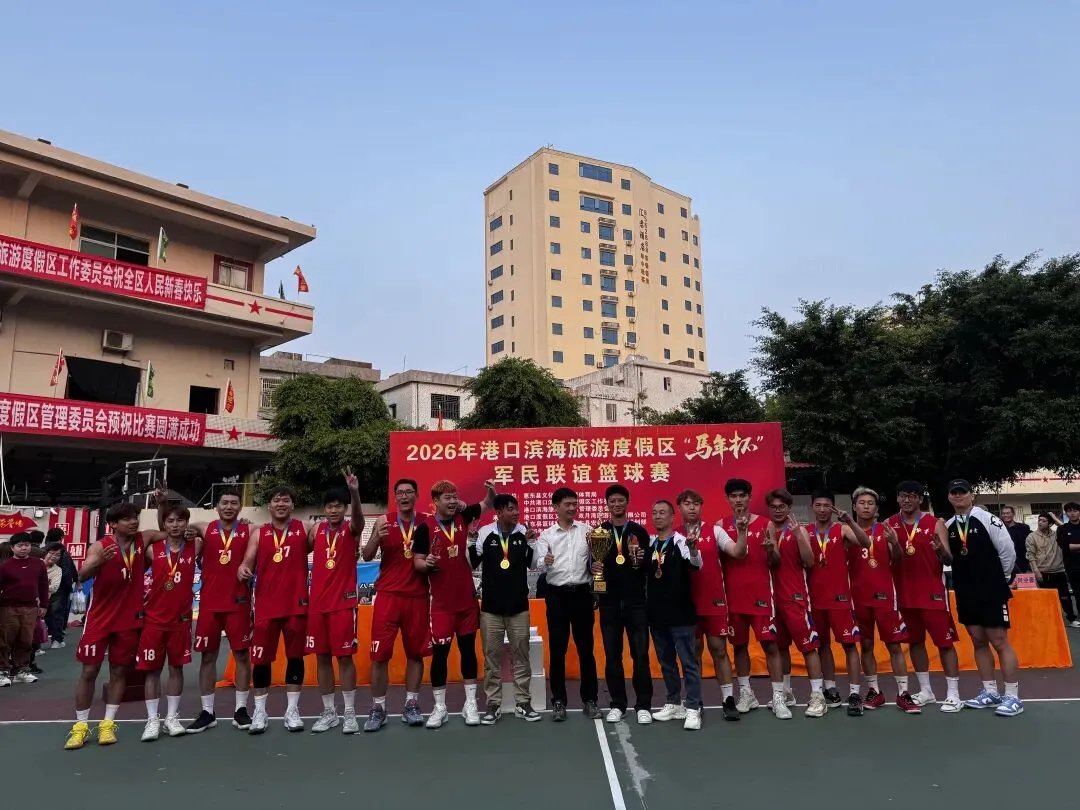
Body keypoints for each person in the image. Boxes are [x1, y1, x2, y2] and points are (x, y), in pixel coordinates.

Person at [65, 502, 154, 749]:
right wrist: (99, 562)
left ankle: (107, 723)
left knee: (118, 671)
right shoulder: (101, 546)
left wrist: (164, 503)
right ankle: (81, 726)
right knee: (89, 671)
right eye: (126, 519)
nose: (133, 522)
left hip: (129, 620)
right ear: (113, 524)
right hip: (99, 620)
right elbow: (81, 575)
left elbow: (170, 529)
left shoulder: (143, 539)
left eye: (135, 517)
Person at [411, 478, 496, 728]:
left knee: (468, 652)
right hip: (441, 606)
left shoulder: (464, 516)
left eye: (454, 497)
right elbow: (417, 561)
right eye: (446, 498)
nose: (451, 501)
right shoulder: (425, 528)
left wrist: (490, 491)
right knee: (440, 656)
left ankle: (470, 704)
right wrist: (426, 563)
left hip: (466, 602)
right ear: (435, 501)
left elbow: (488, 503)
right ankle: (440, 707)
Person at [939, 480, 1022, 716]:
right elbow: (947, 558)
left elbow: (1007, 550)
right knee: (978, 641)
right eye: (954, 493)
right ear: (949, 497)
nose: (958, 496)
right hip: (965, 590)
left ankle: (1012, 696)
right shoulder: (949, 525)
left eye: (962, 492)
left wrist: (1001, 578)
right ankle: (990, 692)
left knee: (999, 641)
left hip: (991, 589)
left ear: (971, 495)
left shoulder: (987, 519)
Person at [362, 478, 432, 731]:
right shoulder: (383, 521)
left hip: (417, 596)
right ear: (395, 497)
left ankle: (411, 704)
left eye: (409, 492)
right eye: (400, 492)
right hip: (388, 596)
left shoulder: (427, 522)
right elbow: (366, 555)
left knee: (415, 654)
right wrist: (375, 538)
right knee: (379, 655)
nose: (404, 496)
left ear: (416, 495)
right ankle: (378, 707)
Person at [239, 485, 310, 734]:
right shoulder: (259, 533)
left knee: (295, 658)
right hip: (266, 607)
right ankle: (260, 711)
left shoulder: (305, 529)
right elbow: (246, 563)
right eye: (276, 500)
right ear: (269, 506)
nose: (281, 504)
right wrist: (243, 569)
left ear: (292, 505)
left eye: (286, 500)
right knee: (261, 660)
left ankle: (292, 711)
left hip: (296, 606)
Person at [886, 481, 963, 712]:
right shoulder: (889, 524)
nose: (907, 500)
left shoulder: (935, 523)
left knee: (944, 643)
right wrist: (893, 544)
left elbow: (948, 559)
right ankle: (926, 691)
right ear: (897, 498)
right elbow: (892, 560)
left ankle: (953, 694)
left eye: (912, 496)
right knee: (915, 642)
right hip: (904, 594)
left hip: (932, 594)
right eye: (903, 495)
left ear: (920, 499)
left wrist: (940, 550)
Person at [715, 478, 784, 716]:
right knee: (739, 646)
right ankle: (747, 693)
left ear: (749, 497)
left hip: (761, 596)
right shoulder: (720, 526)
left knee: (770, 645)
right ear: (727, 499)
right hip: (733, 598)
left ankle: (778, 696)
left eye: (742, 496)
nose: (738, 500)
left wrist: (771, 551)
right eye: (733, 496)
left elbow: (776, 561)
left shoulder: (766, 524)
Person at [186, 488, 254, 733]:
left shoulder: (250, 530)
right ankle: (207, 712)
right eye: (224, 502)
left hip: (238, 603)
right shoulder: (204, 528)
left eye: (234, 503)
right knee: (207, 657)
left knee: (242, 656)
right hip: (209, 605)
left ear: (240, 507)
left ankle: (241, 710)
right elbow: (181, 526)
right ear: (217, 506)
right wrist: (187, 529)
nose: (228, 507)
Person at [470, 493, 540, 723]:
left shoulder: (523, 532)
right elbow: (473, 563)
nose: (516, 512)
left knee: (522, 656)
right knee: (491, 657)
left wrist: (532, 542)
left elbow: (533, 564)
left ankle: (523, 702)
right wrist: (470, 540)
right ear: (498, 512)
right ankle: (493, 704)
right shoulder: (485, 533)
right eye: (510, 509)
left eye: (516, 508)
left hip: (518, 607)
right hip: (491, 609)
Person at [533, 487, 601, 722]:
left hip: (582, 594)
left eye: (574, 504)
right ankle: (558, 701)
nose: (572, 508)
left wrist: (596, 569)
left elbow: (596, 560)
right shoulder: (546, 536)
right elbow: (538, 564)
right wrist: (546, 560)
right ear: (555, 507)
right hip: (557, 596)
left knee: (586, 650)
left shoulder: (588, 531)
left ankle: (590, 699)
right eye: (567, 504)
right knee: (558, 649)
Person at [848, 487, 918, 713]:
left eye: (870, 503)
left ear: (877, 509)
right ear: (854, 507)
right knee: (866, 645)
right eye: (862, 502)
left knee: (894, 645)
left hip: (885, 596)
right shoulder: (846, 532)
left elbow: (898, 559)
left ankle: (903, 693)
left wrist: (895, 543)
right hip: (858, 597)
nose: (866, 506)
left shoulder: (885, 530)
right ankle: (873, 691)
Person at [307, 472, 366, 734]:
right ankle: (329, 712)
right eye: (330, 506)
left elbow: (359, 520)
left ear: (344, 508)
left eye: (338, 506)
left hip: (343, 604)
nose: (334, 510)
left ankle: (350, 713)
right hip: (318, 605)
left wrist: (354, 492)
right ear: (324, 509)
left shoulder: (351, 529)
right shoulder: (316, 531)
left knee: (344, 657)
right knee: (322, 658)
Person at [638, 500, 704, 729]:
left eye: (662, 513)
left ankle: (693, 708)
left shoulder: (681, 542)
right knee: (666, 662)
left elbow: (696, 564)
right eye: (654, 512)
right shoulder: (651, 544)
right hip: (657, 615)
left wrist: (693, 549)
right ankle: (674, 703)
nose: (658, 516)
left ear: (672, 517)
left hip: (681, 614)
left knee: (688, 662)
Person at [764, 489, 828, 718]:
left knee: (808, 647)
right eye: (774, 507)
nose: (778, 511)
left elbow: (810, 561)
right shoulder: (766, 531)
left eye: (782, 507)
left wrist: (798, 536)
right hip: (773, 600)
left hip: (795, 598)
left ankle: (818, 696)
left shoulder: (799, 530)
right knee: (780, 648)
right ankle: (787, 693)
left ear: (789, 508)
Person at [139, 504, 199, 741]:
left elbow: (209, 531)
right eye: (170, 521)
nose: (175, 525)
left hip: (180, 620)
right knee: (152, 671)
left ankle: (171, 718)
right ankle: (152, 720)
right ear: (164, 524)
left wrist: (195, 530)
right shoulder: (152, 550)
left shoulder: (196, 545)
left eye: (180, 521)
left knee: (176, 669)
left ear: (187, 523)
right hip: (154, 620)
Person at [678, 488, 738, 721]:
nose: (692, 507)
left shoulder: (715, 531)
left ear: (701, 506)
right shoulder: (674, 535)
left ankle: (728, 700)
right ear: (680, 508)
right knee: (693, 653)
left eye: (696, 503)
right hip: (687, 604)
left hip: (714, 602)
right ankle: (696, 701)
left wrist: (742, 533)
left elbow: (736, 551)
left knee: (719, 650)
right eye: (687, 503)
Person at [807, 491, 869, 716]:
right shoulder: (805, 531)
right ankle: (830, 689)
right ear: (812, 507)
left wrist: (850, 520)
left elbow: (866, 542)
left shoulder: (841, 529)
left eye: (827, 505)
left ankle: (854, 694)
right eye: (818, 505)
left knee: (849, 645)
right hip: (815, 599)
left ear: (832, 508)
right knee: (822, 646)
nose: (823, 509)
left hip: (840, 599)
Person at [595, 484, 652, 724]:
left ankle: (643, 705)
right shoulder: (600, 532)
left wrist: (640, 562)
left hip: (636, 603)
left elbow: (648, 568)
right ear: (607, 504)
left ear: (627, 503)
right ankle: (617, 704)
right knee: (612, 656)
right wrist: (594, 572)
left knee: (640, 655)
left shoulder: (639, 532)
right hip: (609, 603)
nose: (616, 505)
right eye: (612, 501)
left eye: (620, 501)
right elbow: (595, 566)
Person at [0, 532, 48, 688]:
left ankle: (21, 670)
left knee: (26, 639)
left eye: (26, 545)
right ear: (12, 548)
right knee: (5, 640)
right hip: (8, 607)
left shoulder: (38, 564)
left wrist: (44, 605)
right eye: (20, 545)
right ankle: (2, 671)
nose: (24, 548)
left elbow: (43, 585)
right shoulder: (5, 566)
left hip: (31, 607)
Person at [1027, 513, 1077, 626]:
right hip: (1043, 572)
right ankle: (1049, 621)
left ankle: (1071, 619)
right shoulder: (1032, 536)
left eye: (1044, 521)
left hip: (1059, 571)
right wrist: (1036, 571)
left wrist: (1055, 519)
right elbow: (1031, 556)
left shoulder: (1057, 535)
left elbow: (1066, 529)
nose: (1040, 522)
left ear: (1050, 524)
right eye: (1039, 520)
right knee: (1046, 599)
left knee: (1065, 597)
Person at [1056, 501, 1080, 620]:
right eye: (1069, 511)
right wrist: (1072, 547)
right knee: (1078, 593)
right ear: (1066, 513)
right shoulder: (1062, 529)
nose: (1072, 513)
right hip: (1073, 567)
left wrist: (1074, 546)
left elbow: (1070, 546)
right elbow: (1065, 546)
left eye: (1075, 511)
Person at [42, 542, 67, 652]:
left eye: (58, 555)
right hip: (32, 597)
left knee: (56, 615)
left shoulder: (58, 570)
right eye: (51, 553)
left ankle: (56, 640)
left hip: (50, 596)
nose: (54, 557)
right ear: (45, 553)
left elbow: (54, 587)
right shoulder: (37, 564)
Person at [999, 506, 1031, 575]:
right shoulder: (999, 529)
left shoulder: (1023, 528)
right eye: (1003, 513)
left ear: (1013, 514)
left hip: (1021, 563)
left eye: (1008, 513)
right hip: (1005, 563)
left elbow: (1030, 544)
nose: (1005, 515)